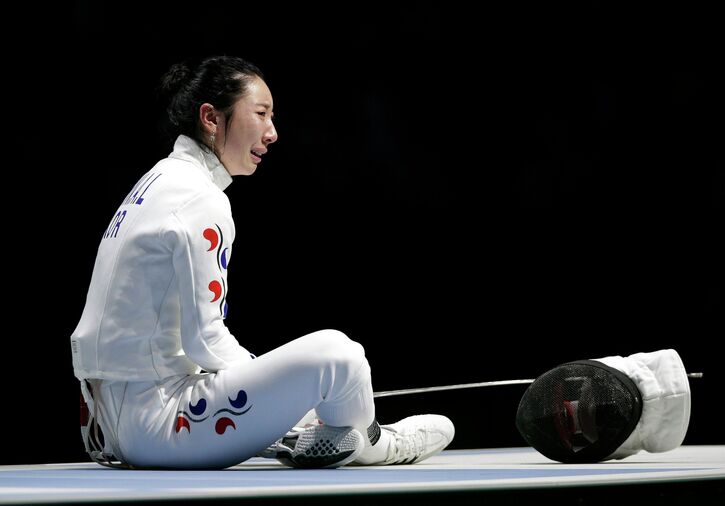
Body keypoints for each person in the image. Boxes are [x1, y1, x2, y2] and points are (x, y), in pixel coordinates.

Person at [71, 55, 454, 470]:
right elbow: (207, 342)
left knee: (311, 391)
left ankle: (308, 432)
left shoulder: (158, 181)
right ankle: (375, 445)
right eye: (261, 114)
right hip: (159, 425)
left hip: (107, 426)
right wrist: (276, 387)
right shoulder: (200, 198)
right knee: (339, 356)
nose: (272, 133)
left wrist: (278, 394)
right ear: (211, 118)